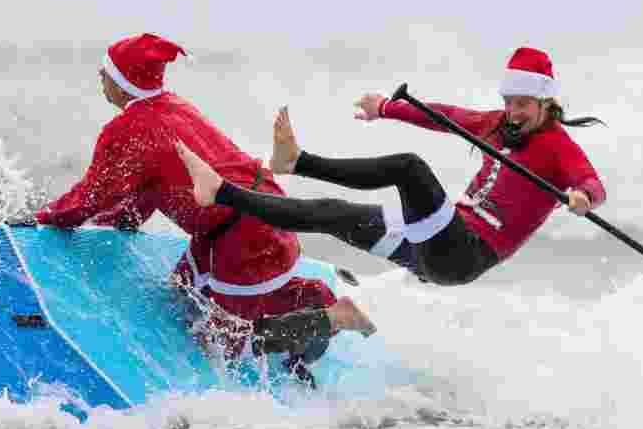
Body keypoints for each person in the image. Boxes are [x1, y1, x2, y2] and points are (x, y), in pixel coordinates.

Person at [12, 33, 375, 387]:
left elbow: (92, 195)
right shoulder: (174, 106)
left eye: (105, 72)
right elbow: (153, 183)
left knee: (225, 345)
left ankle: (331, 317)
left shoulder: (129, 129)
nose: (100, 77)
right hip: (260, 213)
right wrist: (124, 223)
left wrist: (41, 219)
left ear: (123, 84)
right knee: (185, 292)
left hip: (243, 240)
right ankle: (307, 297)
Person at [175, 47, 607, 287]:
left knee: (409, 167)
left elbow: (591, 181)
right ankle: (219, 192)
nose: (513, 112)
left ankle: (299, 162)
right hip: (433, 244)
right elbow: (448, 117)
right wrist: (386, 108)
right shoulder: (497, 123)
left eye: (523, 105)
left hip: (465, 253)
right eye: (509, 102)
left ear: (546, 102)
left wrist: (583, 197)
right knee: (331, 214)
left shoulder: (555, 146)